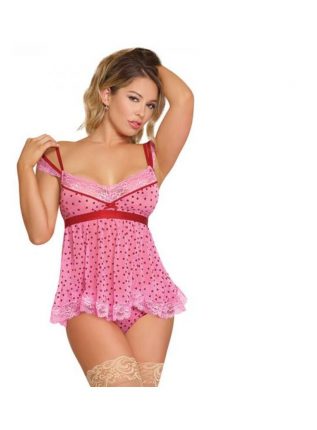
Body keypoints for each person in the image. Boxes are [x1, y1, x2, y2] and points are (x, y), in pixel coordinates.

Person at [17, 47, 194, 387]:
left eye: (151, 105)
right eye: (133, 98)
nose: (142, 112)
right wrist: (24, 167)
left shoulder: (152, 156)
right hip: (86, 300)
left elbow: (184, 99)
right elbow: (39, 233)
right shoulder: (58, 155)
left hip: (149, 297)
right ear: (106, 94)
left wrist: (145, 62)